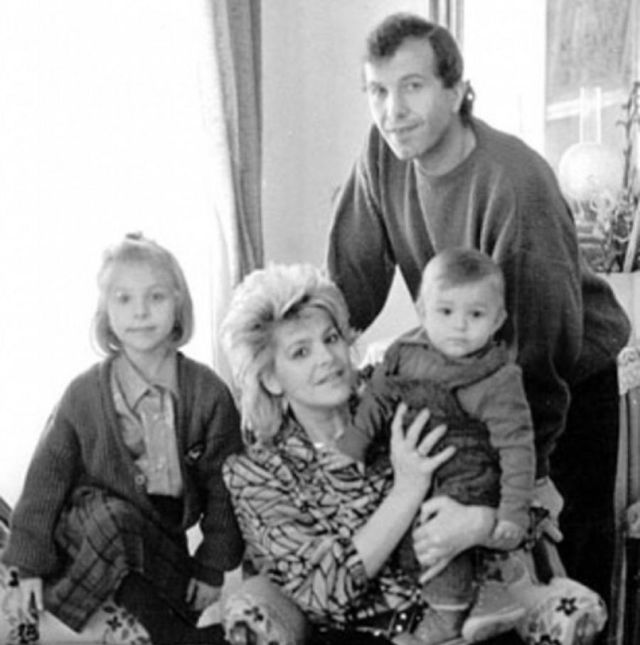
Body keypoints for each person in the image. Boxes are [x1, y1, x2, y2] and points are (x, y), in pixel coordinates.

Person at [326, 12, 631, 613]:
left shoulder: (515, 185)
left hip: (566, 384)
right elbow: (350, 284)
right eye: (377, 91)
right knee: (475, 580)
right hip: (469, 367)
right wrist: (312, 361)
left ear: (457, 90)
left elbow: (540, 353)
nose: (393, 111)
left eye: (412, 86)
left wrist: (525, 489)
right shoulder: (382, 150)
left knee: (563, 581)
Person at [220, 262, 518, 645]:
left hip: (470, 616)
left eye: (331, 338)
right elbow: (325, 592)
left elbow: (509, 483)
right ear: (271, 379)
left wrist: (479, 522)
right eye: (301, 352)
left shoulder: (403, 396)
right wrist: (407, 490)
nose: (327, 358)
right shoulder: (257, 473)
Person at [1, 233, 244, 645]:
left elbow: (225, 485)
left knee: (163, 593)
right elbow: (46, 479)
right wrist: (29, 566)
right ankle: (168, 637)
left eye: (156, 297)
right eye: (124, 299)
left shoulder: (207, 393)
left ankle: (171, 631)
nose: (141, 312)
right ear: (106, 313)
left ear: (179, 304)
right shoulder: (83, 394)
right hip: (88, 534)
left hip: (158, 541)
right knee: (113, 518)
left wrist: (211, 567)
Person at [350, 248, 535, 642]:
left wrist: (512, 513)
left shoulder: (498, 379)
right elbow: (377, 399)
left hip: (469, 472)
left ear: (498, 320)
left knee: (443, 531)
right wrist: (354, 442)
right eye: (446, 311)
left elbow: (518, 449)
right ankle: (487, 593)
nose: (459, 326)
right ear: (422, 310)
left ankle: (449, 615)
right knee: (408, 535)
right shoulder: (403, 354)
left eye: (476, 314)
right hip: (412, 466)